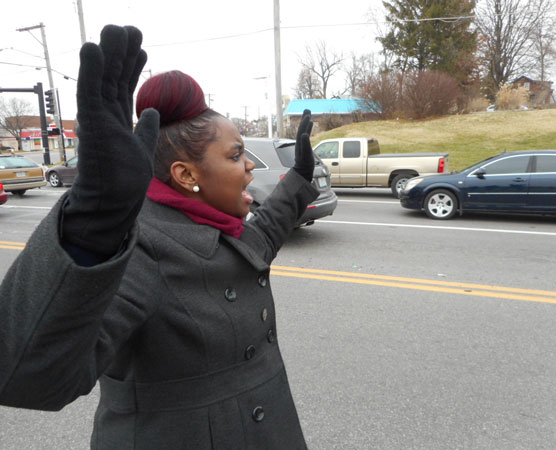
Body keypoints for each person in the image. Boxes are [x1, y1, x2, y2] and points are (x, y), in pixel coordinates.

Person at [0, 24, 318, 449]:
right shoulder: (139, 248)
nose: (250, 167)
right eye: (236, 154)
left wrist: (299, 178)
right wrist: (89, 230)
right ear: (186, 175)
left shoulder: (218, 225)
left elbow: (261, 238)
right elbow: (30, 378)